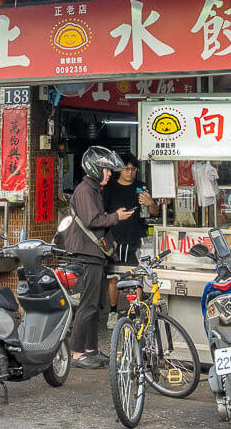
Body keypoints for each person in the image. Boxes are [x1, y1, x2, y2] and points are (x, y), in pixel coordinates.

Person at [66, 146, 134, 369]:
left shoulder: (93, 189)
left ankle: (91, 350)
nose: (109, 173)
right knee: (87, 305)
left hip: (94, 255)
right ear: (94, 169)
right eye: (106, 169)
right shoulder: (85, 190)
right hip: (86, 255)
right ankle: (76, 353)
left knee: (95, 306)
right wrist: (116, 216)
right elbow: (92, 220)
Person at [102, 152, 155, 329]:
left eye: (133, 169)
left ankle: (136, 312)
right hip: (114, 239)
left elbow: (155, 212)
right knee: (113, 277)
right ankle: (113, 311)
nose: (130, 173)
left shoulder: (142, 187)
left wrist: (150, 203)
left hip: (136, 237)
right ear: (119, 170)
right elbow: (102, 214)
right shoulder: (110, 188)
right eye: (126, 169)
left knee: (137, 276)